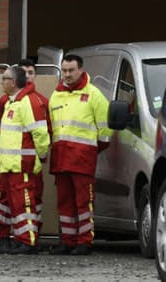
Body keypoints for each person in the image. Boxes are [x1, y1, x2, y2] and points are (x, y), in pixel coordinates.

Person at [48, 54, 111, 256]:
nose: (66, 74)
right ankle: (67, 241)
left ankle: (84, 241)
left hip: (82, 160)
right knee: (65, 202)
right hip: (61, 159)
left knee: (83, 202)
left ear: (80, 70)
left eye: (71, 70)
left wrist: (89, 151)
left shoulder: (94, 95)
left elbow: (105, 132)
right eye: (64, 70)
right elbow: (52, 128)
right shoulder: (56, 95)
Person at [0, 66, 50, 254]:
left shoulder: (28, 102)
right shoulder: (12, 102)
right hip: (10, 166)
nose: (2, 81)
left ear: (13, 82)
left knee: (24, 204)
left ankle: (28, 241)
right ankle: (20, 240)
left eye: (4, 78)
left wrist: (41, 156)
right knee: (13, 204)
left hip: (22, 165)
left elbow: (40, 133)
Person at [18, 58, 51, 233]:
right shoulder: (7, 100)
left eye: (31, 73)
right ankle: (12, 236)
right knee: (10, 199)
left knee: (35, 196)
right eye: (24, 73)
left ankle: (33, 234)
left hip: (34, 162)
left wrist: (42, 155)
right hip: (13, 162)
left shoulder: (42, 101)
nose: (28, 76)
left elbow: (48, 131)